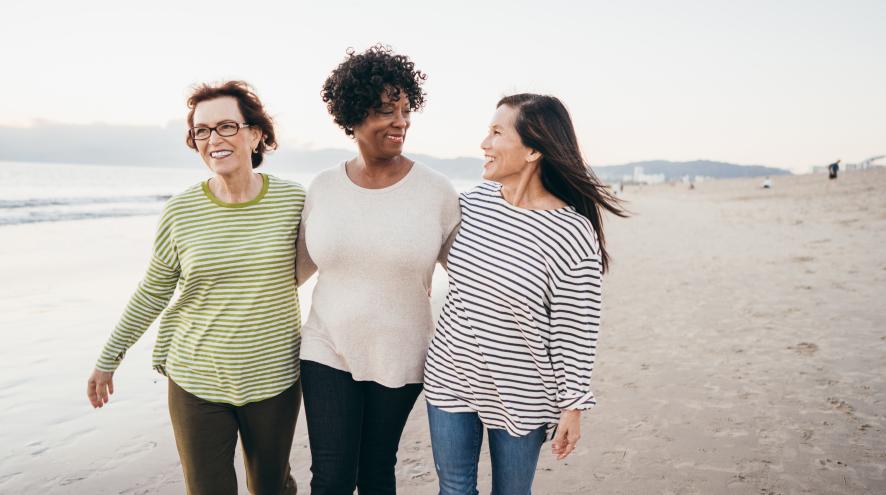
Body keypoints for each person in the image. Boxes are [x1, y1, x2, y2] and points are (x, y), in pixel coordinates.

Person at [86, 81, 304, 495]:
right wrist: (108, 357)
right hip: (196, 379)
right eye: (201, 131)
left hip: (273, 378)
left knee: (272, 487)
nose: (213, 140)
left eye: (226, 126)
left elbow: (325, 260)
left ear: (256, 134)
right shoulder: (181, 210)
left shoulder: (294, 201)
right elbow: (153, 290)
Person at [423, 93, 627, 494]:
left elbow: (576, 329)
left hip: (523, 390)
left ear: (534, 149)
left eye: (497, 132)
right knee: (454, 488)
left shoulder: (571, 233)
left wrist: (574, 405)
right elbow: (427, 251)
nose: (484, 143)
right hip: (451, 374)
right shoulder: (471, 204)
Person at [295, 45, 460, 494]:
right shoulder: (324, 188)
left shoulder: (436, 192)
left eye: (405, 110)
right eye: (386, 110)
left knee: (375, 471)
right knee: (330, 475)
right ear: (352, 116)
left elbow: (471, 275)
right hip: (326, 345)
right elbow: (293, 270)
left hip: (400, 353)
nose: (400, 121)